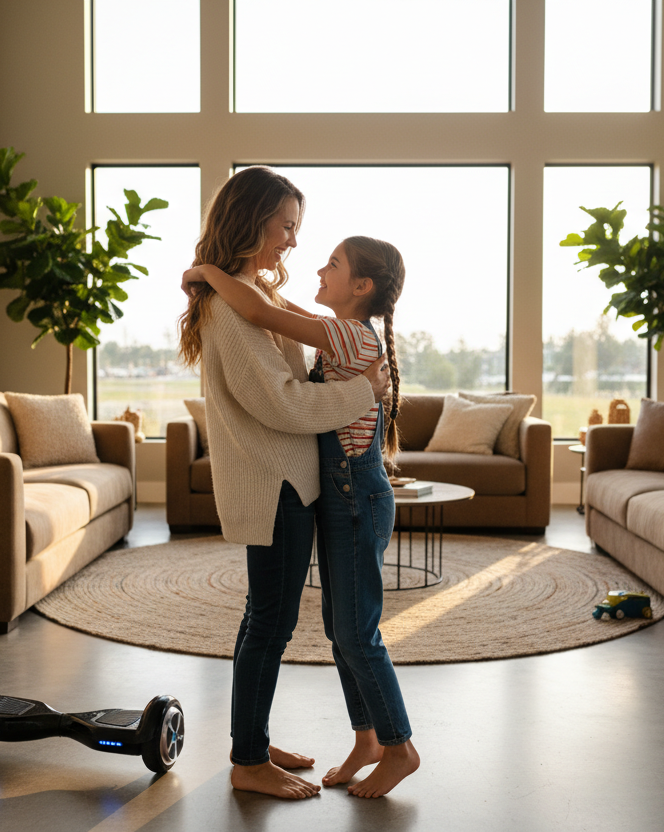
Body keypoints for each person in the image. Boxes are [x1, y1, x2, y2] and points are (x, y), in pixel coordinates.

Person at [176, 167, 390, 800]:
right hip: (277, 484)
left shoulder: (244, 293)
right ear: (253, 219)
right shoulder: (229, 303)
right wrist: (361, 391)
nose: (293, 241)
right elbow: (284, 405)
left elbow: (286, 340)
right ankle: (246, 761)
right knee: (270, 623)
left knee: (261, 620)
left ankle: (253, 739)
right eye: (287, 226)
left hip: (285, 480)